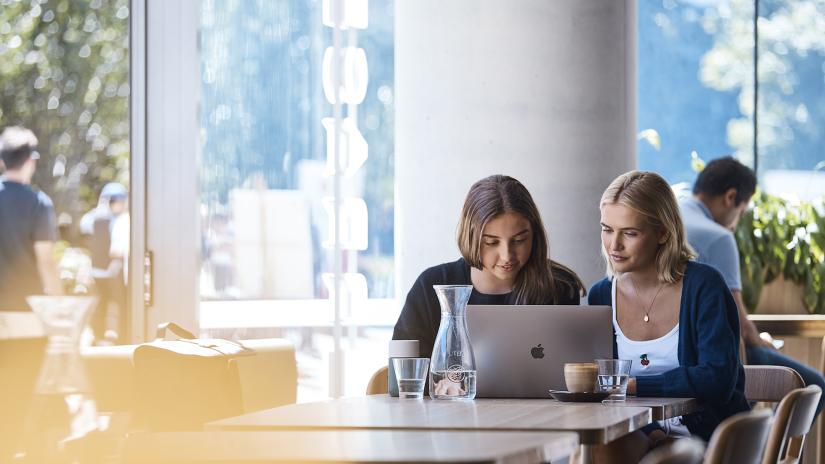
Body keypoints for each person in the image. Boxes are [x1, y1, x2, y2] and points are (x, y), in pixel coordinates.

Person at [589, 171, 749, 462]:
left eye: (630, 233)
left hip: (708, 440)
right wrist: (653, 433)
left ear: (663, 232)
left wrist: (636, 386)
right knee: (599, 448)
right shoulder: (600, 296)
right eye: (607, 229)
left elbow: (719, 379)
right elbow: (604, 393)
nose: (614, 245)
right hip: (645, 435)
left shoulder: (704, 286)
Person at [681, 156, 825, 415]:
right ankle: (770, 451)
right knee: (815, 386)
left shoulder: (670, 218)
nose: (737, 221)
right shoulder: (718, 237)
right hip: (709, 358)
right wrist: (761, 340)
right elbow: (739, 322)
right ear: (730, 197)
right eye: (742, 211)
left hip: (668, 354)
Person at [393, 174, 585, 361]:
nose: (507, 255)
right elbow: (404, 374)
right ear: (471, 237)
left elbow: (566, 370)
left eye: (519, 240)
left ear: (534, 235)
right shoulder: (433, 286)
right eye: (492, 243)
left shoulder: (559, 286)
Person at [0, 126, 63, 311]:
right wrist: (59, 307)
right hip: (26, 310)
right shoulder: (39, 203)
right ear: (30, 161)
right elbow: (46, 262)